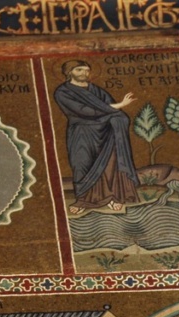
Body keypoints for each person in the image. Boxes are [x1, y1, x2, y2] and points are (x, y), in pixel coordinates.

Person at [53, 60, 139, 214]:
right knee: (81, 164)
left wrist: (116, 112)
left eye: (86, 70)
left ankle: (111, 197)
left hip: (105, 131)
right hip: (81, 131)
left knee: (108, 165)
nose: (84, 73)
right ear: (69, 72)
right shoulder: (63, 92)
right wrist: (118, 106)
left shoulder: (96, 90)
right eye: (79, 70)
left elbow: (110, 108)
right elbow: (83, 110)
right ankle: (83, 200)